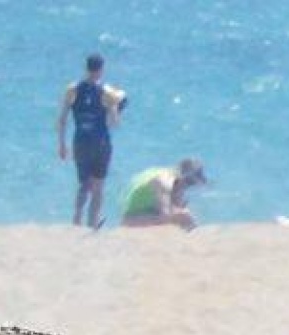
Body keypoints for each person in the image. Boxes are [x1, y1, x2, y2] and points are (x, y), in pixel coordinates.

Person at [57, 53, 125, 227]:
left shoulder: (72, 89)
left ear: (86, 68)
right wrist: (117, 107)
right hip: (100, 141)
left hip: (80, 140)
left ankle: (76, 218)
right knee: (98, 185)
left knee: (84, 184)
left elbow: (63, 119)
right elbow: (114, 122)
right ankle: (93, 222)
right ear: (101, 70)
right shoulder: (107, 93)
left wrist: (62, 144)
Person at [119, 158, 207, 228]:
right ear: (183, 178)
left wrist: (179, 204)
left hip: (136, 213)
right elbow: (165, 215)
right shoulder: (164, 181)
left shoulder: (163, 172)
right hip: (130, 220)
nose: (186, 187)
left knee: (181, 211)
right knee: (186, 216)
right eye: (189, 183)